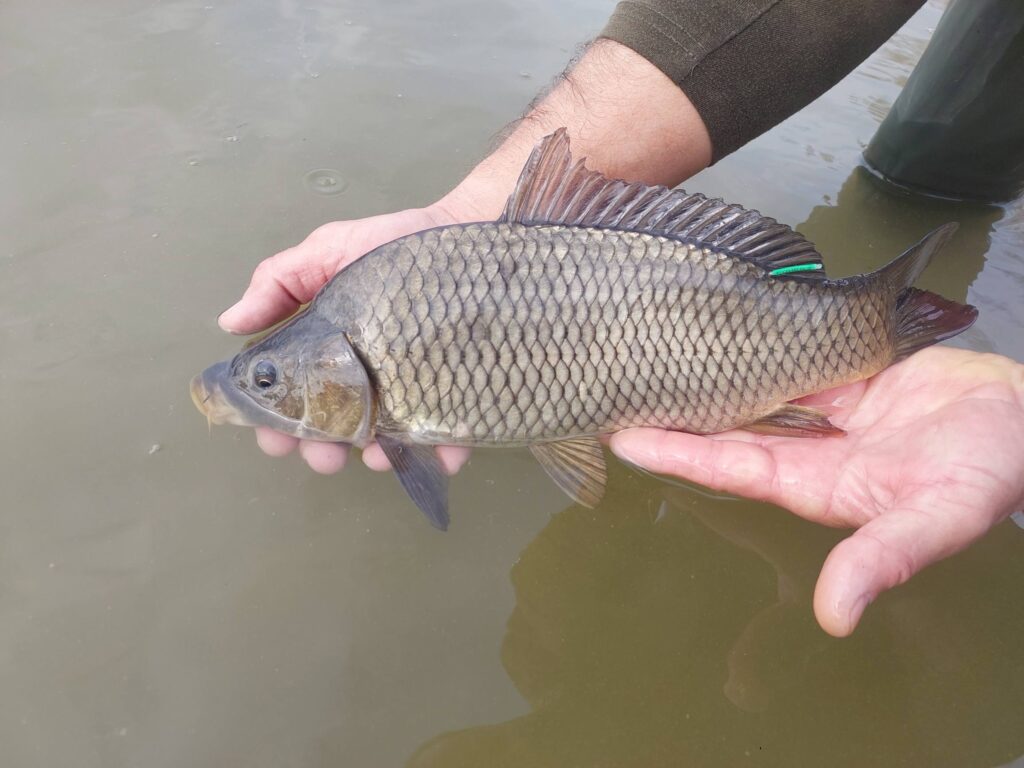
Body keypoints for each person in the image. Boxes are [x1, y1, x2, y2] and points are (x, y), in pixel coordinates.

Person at [215, 1, 1024, 637]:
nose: (261, 384)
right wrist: (466, 211)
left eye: (268, 378)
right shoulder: (373, 301)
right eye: (267, 377)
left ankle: (889, 303)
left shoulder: (383, 337)